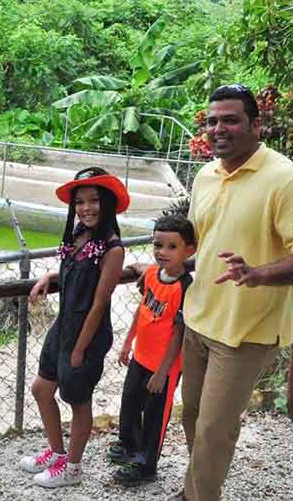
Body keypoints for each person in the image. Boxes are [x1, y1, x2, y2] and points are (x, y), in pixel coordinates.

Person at [168, 85, 293, 501]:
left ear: (257, 124)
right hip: (199, 318)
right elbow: (199, 244)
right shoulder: (205, 175)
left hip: (246, 330)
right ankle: (197, 490)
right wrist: (164, 266)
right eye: (213, 121)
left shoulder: (286, 180)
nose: (219, 128)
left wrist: (256, 274)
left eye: (231, 119)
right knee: (195, 419)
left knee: (214, 428)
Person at [20, 166, 127, 488]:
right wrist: (48, 277)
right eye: (80, 202)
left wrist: (80, 349)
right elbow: (73, 273)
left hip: (88, 333)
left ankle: (73, 468)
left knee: (78, 399)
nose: (86, 208)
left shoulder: (113, 248)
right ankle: (56, 453)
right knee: (41, 388)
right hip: (63, 325)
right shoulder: (78, 236)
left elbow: (99, 302)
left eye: (94, 200)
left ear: (106, 203)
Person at [109, 214, 196, 486]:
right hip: (140, 356)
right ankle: (129, 445)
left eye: (172, 247)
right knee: (130, 401)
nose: (163, 252)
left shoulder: (185, 287)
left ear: (189, 250)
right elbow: (142, 310)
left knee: (155, 417)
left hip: (164, 367)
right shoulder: (150, 274)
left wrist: (162, 372)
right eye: (158, 245)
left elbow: (179, 333)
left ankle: (147, 464)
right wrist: (127, 343)